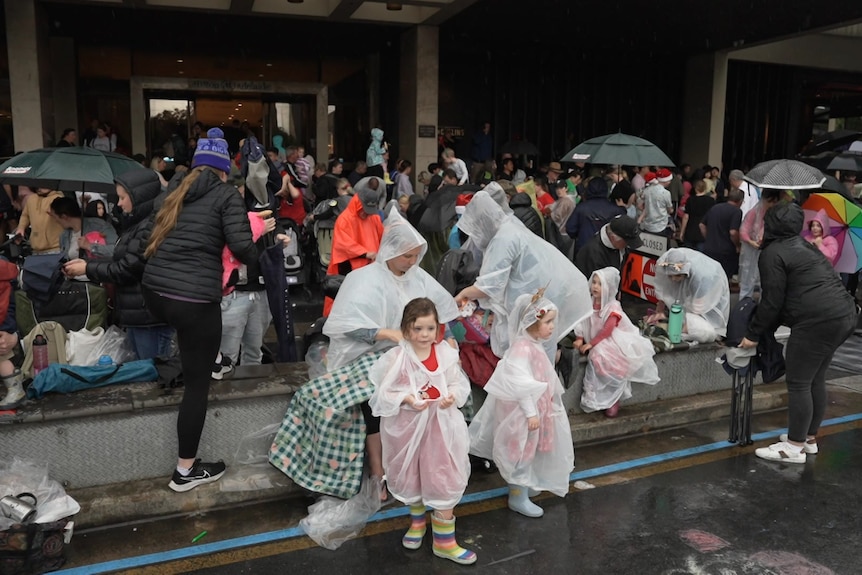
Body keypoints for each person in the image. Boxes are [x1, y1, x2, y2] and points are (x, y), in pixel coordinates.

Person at [270, 207, 460, 500]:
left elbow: (440, 314)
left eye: (415, 256)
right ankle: (377, 473)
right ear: (391, 250)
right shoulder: (364, 279)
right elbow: (344, 326)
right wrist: (385, 333)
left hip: (413, 356)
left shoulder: (419, 279)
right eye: (407, 255)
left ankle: (418, 470)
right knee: (370, 403)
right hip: (371, 355)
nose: (412, 262)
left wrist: (439, 341)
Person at [141, 128, 258, 492]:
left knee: (199, 345)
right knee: (197, 387)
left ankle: (213, 359)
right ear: (224, 169)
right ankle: (185, 471)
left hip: (155, 292)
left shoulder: (173, 192)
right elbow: (241, 247)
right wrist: (264, 250)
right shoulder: (226, 194)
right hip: (192, 301)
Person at [740, 202, 857, 463]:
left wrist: (754, 334)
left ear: (770, 225)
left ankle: (793, 447)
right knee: (815, 377)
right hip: (844, 313)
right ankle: (808, 438)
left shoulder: (773, 252)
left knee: (799, 381)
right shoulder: (805, 246)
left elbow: (772, 301)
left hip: (817, 321)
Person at [368, 297, 476, 565]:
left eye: (429, 328)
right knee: (411, 473)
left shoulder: (446, 354)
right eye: (417, 329)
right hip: (408, 429)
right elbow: (383, 393)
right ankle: (417, 523)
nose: (424, 335)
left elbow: (457, 384)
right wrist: (407, 398)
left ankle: (445, 541)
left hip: (440, 429)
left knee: (444, 475)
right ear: (406, 329)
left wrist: (451, 395)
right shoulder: (396, 357)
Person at [468, 291, 575, 518]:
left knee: (530, 449)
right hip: (521, 414)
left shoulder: (532, 345)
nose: (551, 327)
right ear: (531, 322)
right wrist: (530, 413)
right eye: (547, 322)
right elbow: (520, 385)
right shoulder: (521, 349)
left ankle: (526, 484)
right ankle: (517, 495)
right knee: (520, 452)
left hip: (535, 410)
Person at [454, 190, 592, 361]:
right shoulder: (510, 224)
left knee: (532, 348)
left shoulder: (502, 239)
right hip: (549, 289)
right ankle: (547, 376)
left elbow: (489, 286)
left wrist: (463, 294)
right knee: (540, 345)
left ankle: (541, 381)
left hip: (540, 295)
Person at [63, 170, 175, 360]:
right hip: (139, 315)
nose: (119, 202)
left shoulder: (151, 227)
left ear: (139, 198)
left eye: (123, 197)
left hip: (149, 317)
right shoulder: (137, 224)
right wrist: (88, 262)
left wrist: (87, 268)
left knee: (154, 376)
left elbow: (128, 268)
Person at [574, 267, 659, 417]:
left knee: (603, 357)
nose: (594, 286)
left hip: (610, 339)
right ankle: (598, 396)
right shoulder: (590, 302)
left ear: (609, 288)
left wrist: (591, 344)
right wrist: (580, 339)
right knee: (597, 358)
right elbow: (582, 321)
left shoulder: (612, 307)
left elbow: (607, 330)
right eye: (593, 282)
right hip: (594, 339)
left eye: (600, 284)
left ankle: (613, 398)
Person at [323, 176, 386, 315]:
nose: (366, 214)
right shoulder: (344, 219)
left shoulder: (373, 217)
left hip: (370, 267)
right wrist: (365, 253)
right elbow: (342, 244)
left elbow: (382, 236)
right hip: (348, 267)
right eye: (364, 210)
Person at [647, 248, 730, 343]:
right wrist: (659, 311)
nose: (673, 279)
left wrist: (682, 329)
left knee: (706, 331)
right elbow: (663, 288)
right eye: (670, 276)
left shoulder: (702, 278)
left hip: (710, 282)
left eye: (677, 276)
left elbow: (697, 310)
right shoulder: (664, 263)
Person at [738, 189, 782, 299]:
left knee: (766, 279)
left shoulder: (777, 214)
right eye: (770, 201)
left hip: (768, 250)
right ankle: (744, 304)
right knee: (748, 276)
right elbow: (744, 230)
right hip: (752, 249)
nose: (772, 204)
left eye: (774, 202)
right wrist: (751, 241)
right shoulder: (754, 212)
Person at [49, 196, 117, 264]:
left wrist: (90, 246)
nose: (55, 221)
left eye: (55, 217)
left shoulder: (100, 226)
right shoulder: (64, 236)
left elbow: (116, 251)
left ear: (64, 216)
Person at [574, 214, 643, 279]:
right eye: (626, 243)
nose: (628, 246)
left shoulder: (619, 246)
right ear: (613, 238)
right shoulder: (593, 254)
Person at [700, 188, 743, 279]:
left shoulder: (715, 207)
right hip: (726, 251)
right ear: (740, 201)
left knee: (710, 277)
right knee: (724, 278)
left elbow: (702, 225)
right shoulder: (736, 212)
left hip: (709, 248)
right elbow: (733, 232)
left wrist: (708, 238)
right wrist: (738, 245)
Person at [15, 187, 65, 254]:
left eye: (43, 184)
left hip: (55, 248)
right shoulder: (31, 199)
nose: (39, 187)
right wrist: (21, 228)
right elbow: (25, 215)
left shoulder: (59, 198)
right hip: (35, 249)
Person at [678, 179, 714, 251]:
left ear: (695, 188)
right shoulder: (710, 200)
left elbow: (686, 217)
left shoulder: (690, 200)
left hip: (690, 230)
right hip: (703, 232)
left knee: (688, 255)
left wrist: (682, 232)